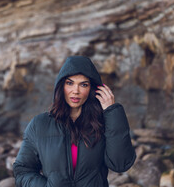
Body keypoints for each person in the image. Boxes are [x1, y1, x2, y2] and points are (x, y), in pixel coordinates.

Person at [13, 56, 136, 187]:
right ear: (61, 86)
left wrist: (112, 112)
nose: (75, 91)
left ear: (92, 89)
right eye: (69, 83)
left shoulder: (102, 123)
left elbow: (120, 164)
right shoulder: (39, 124)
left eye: (83, 84)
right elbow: (22, 170)